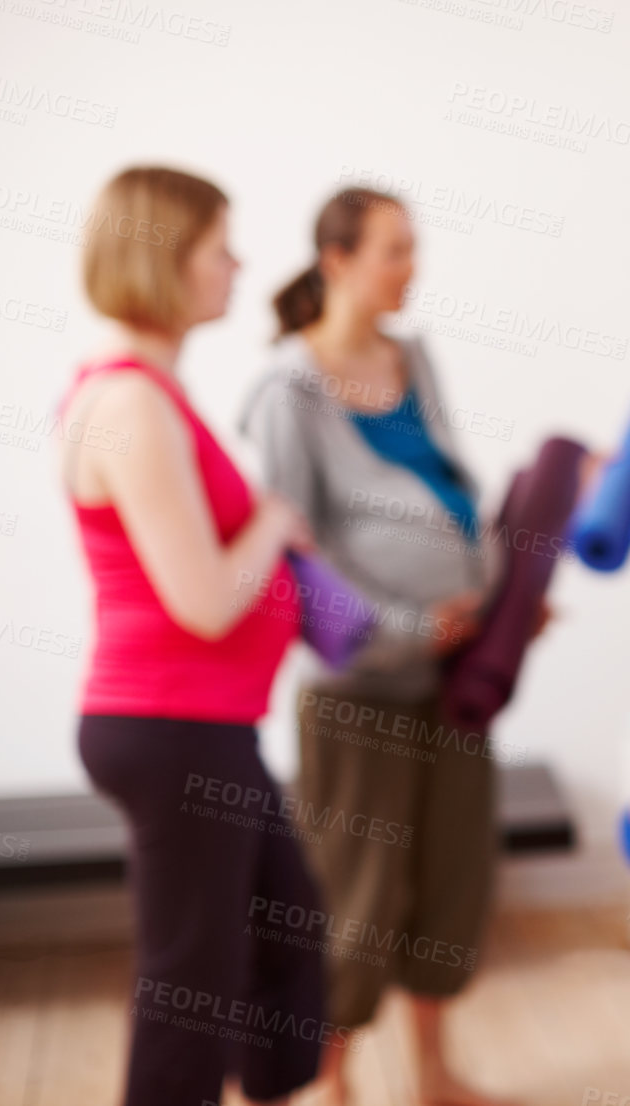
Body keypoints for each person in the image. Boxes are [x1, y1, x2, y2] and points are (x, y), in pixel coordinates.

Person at [241, 187, 526, 1106]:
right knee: (354, 898)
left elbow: (448, 485)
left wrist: (495, 597)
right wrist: (405, 627)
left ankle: (435, 1074)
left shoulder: (414, 357)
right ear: (336, 261)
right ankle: (333, 1083)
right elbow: (293, 549)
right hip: (359, 687)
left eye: (415, 247)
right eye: (394, 250)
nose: (412, 266)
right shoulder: (289, 387)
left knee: (449, 885)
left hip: (453, 677)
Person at [59, 166, 325, 1106]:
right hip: (170, 729)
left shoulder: (152, 397)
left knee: (286, 937)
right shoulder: (131, 405)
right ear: (168, 261)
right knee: (189, 987)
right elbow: (205, 601)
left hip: (205, 726)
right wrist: (276, 519)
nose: (238, 265)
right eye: (222, 247)